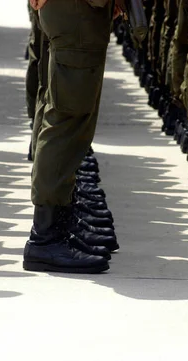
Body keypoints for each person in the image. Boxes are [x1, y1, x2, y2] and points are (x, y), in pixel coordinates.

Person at [23, 0, 125, 274]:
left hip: (76, 11)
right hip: (74, 10)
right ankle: (45, 237)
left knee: (67, 114)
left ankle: (58, 223)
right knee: (66, 119)